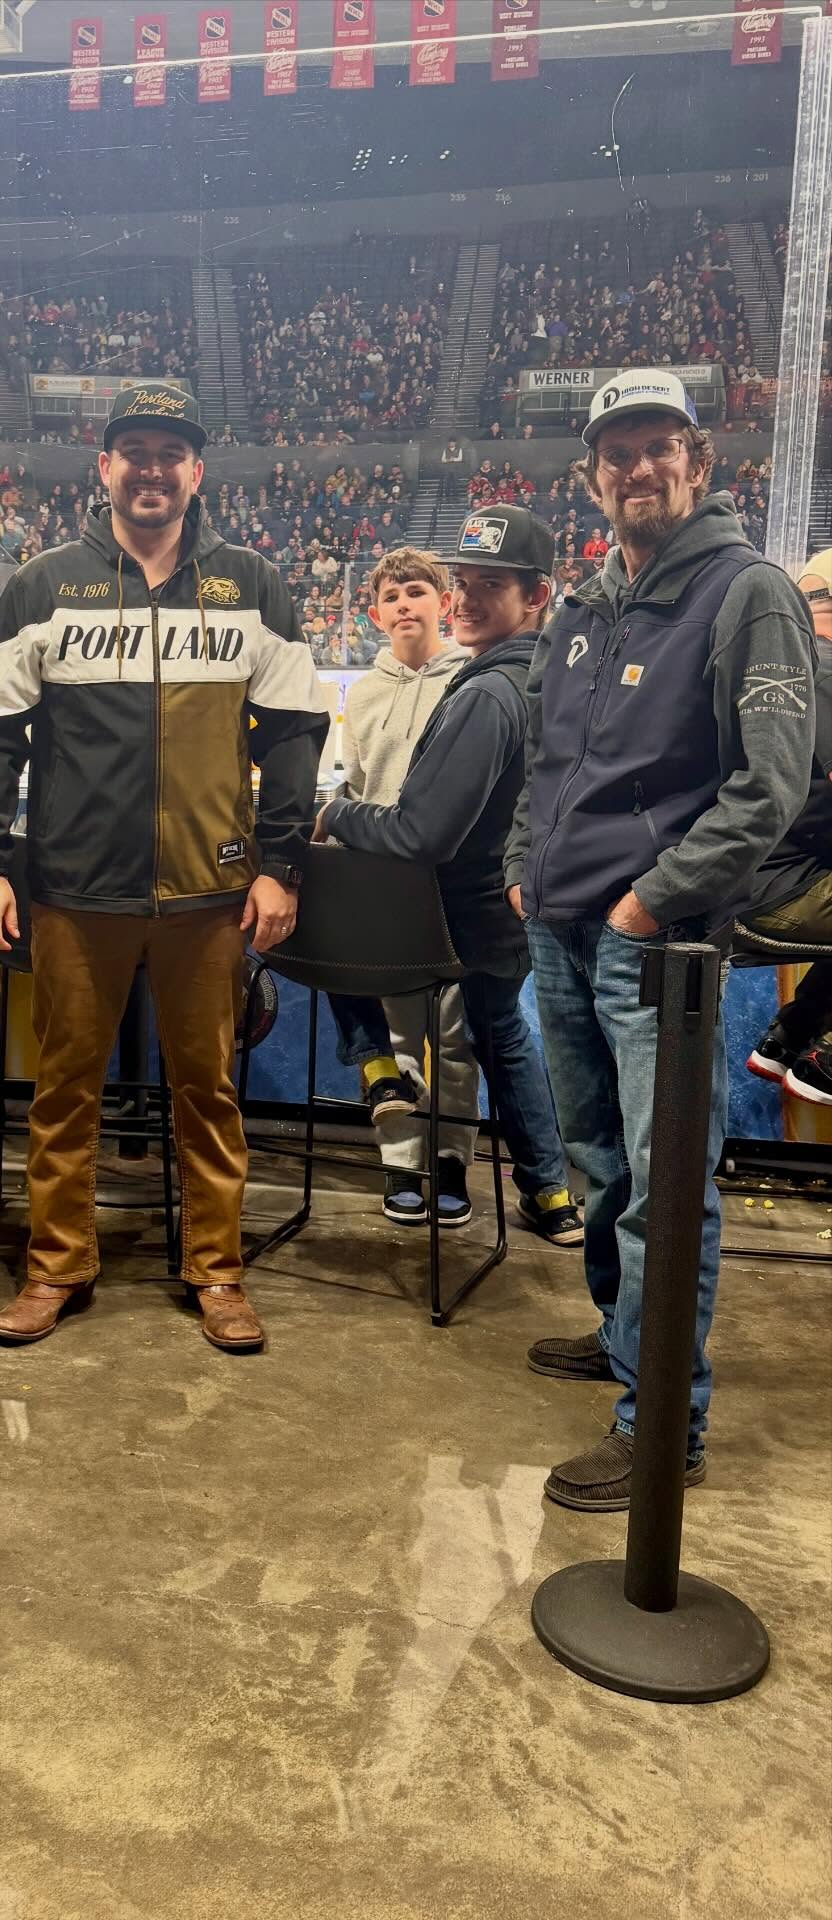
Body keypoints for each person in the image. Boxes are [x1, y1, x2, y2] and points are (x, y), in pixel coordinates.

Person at [0, 382, 327, 1351]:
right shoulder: (41, 586)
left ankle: (216, 1271)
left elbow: (293, 739)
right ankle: (56, 1267)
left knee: (208, 1093)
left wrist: (279, 865)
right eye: (135, 450)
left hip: (211, 889)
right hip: (77, 889)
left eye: (171, 452)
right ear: (105, 467)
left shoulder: (252, 586)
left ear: (195, 472)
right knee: (63, 1088)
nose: (152, 468)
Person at [505, 370, 816, 1512]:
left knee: (664, 1187)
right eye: (616, 452)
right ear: (594, 475)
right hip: (564, 932)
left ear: (698, 459)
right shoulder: (586, 605)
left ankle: (659, 1425)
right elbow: (547, 757)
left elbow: (768, 789)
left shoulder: (748, 594)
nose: (638, 468)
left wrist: (649, 900)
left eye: (660, 446)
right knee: (597, 1161)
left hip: (654, 945)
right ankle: (623, 1334)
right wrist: (521, 871)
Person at [314, 529, 579, 1245]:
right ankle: (404, 1163)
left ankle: (454, 1164)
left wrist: (344, 816)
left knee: (458, 1041)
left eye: (421, 591)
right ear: (372, 613)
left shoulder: (479, 685)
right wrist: (344, 814)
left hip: (448, 885)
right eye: (389, 596)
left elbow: (429, 820)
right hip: (388, 879)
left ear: (440, 607)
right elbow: (360, 780)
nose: (407, 605)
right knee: (407, 1034)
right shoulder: (366, 692)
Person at [742, 546, 832, 1104]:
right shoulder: (824, 672)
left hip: (755, 876)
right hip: (777, 889)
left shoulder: (791, 663)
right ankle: (821, 1063)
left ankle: (787, 1039)